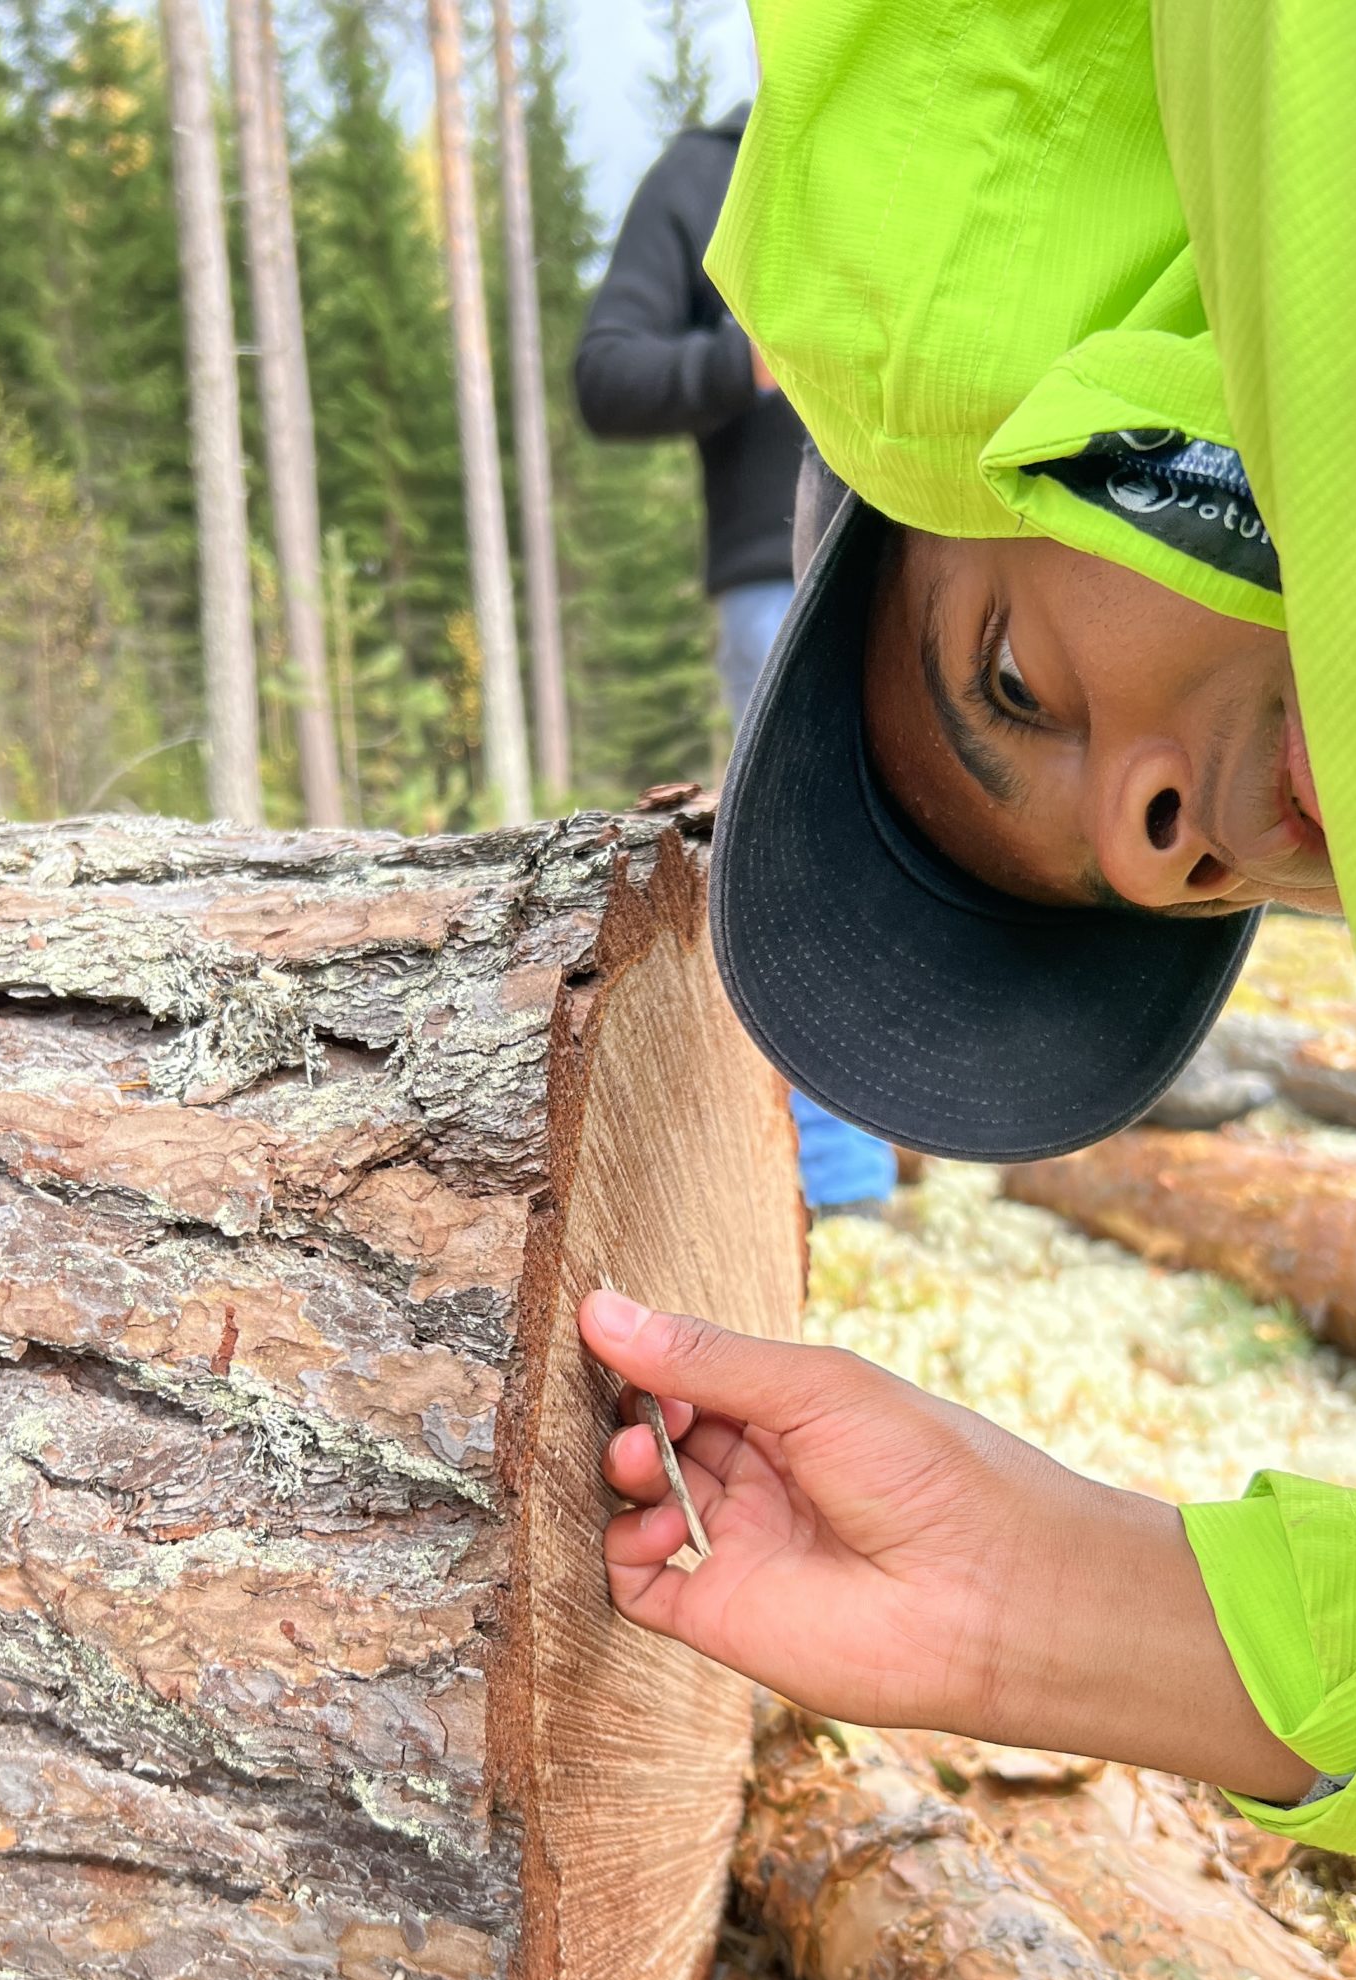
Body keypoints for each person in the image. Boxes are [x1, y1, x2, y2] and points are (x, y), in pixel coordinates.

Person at [578, 0, 1356, 1873]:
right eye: (1156, 887)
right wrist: (1029, 1612)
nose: (1160, 858)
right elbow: (610, 373)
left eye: (1017, 679)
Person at [574, 97, 897, 1221]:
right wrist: (744, 358)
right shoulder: (703, 176)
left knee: (912, 850)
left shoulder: (910, 137)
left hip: (932, 566)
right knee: (815, 856)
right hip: (781, 575)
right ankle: (843, 1188)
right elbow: (607, 372)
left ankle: (891, 1152)